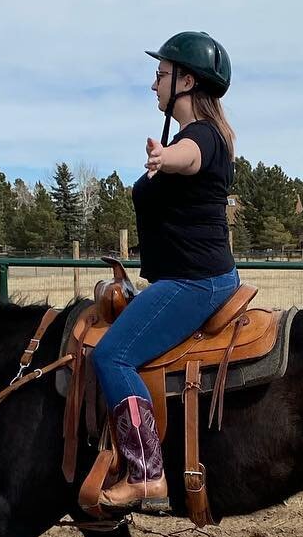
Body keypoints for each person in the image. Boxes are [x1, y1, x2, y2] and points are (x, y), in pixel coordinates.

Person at [88, 31, 240, 511]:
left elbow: (188, 158)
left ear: (186, 80)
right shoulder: (199, 135)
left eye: (161, 74)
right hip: (192, 278)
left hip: (194, 283)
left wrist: (164, 159)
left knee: (112, 356)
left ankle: (147, 473)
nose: (153, 83)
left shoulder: (202, 138)